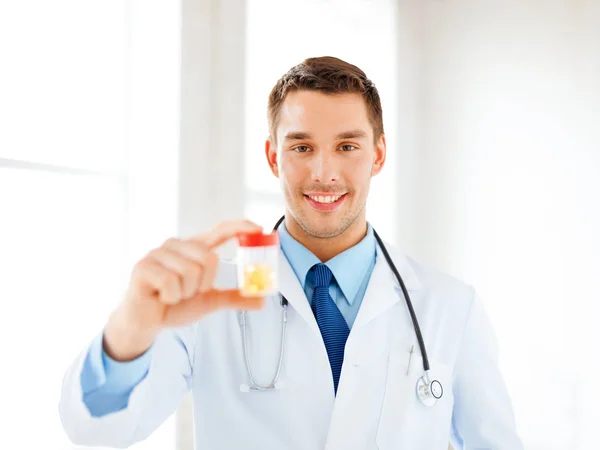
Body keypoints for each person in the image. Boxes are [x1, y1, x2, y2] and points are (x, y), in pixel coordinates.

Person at [59, 56, 523, 449]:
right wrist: (129, 329)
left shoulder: (448, 307)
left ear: (378, 155)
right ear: (273, 156)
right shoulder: (205, 299)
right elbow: (97, 428)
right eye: (302, 146)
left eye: (347, 146)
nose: (324, 173)